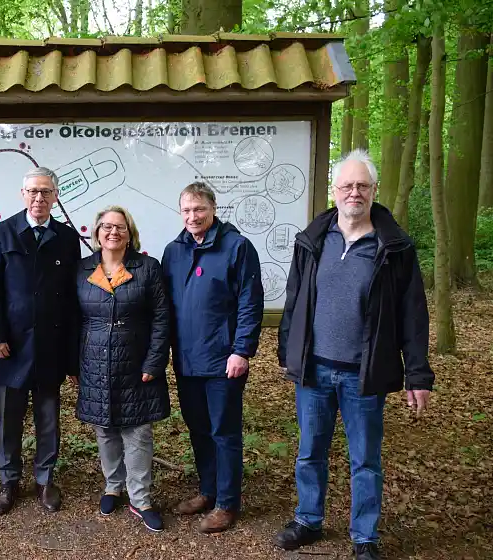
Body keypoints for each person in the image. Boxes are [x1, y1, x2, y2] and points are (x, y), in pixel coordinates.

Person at [274, 149, 434, 560]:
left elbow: (413, 314)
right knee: (310, 452)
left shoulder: (394, 246)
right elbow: (295, 300)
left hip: (364, 373)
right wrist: (287, 351)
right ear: (334, 190)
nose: (354, 192)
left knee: (365, 460)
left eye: (362, 185)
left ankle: (364, 537)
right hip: (314, 369)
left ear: (374, 190)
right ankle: (308, 520)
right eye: (346, 185)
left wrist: (418, 375)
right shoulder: (314, 240)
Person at [161, 181, 264, 533]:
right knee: (199, 429)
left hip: (224, 361)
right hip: (187, 360)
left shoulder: (237, 247)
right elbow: (166, 308)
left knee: (225, 432)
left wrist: (242, 350)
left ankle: (227, 502)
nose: (193, 216)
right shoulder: (173, 251)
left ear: (213, 208)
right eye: (187, 210)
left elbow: (251, 303)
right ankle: (208, 490)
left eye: (199, 209)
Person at [0, 166, 81, 515]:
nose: (39, 198)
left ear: (55, 196)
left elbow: (72, 297)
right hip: (9, 346)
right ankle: (9, 481)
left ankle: (45, 478)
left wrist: (72, 353)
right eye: (33, 191)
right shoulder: (1, 233)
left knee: (48, 416)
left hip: (50, 344)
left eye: (46, 192)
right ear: (23, 194)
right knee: (9, 417)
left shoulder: (67, 239)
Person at [75, 206, 170, 532]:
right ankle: (113, 485)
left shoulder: (147, 268)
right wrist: (76, 363)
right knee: (104, 428)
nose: (113, 232)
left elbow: (162, 318)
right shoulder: (82, 269)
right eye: (107, 227)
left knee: (137, 431)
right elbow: (76, 320)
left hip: (136, 362)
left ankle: (140, 498)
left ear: (130, 234)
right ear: (97, 232)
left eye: (120, 228)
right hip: (95, 362)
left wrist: (155, 361)